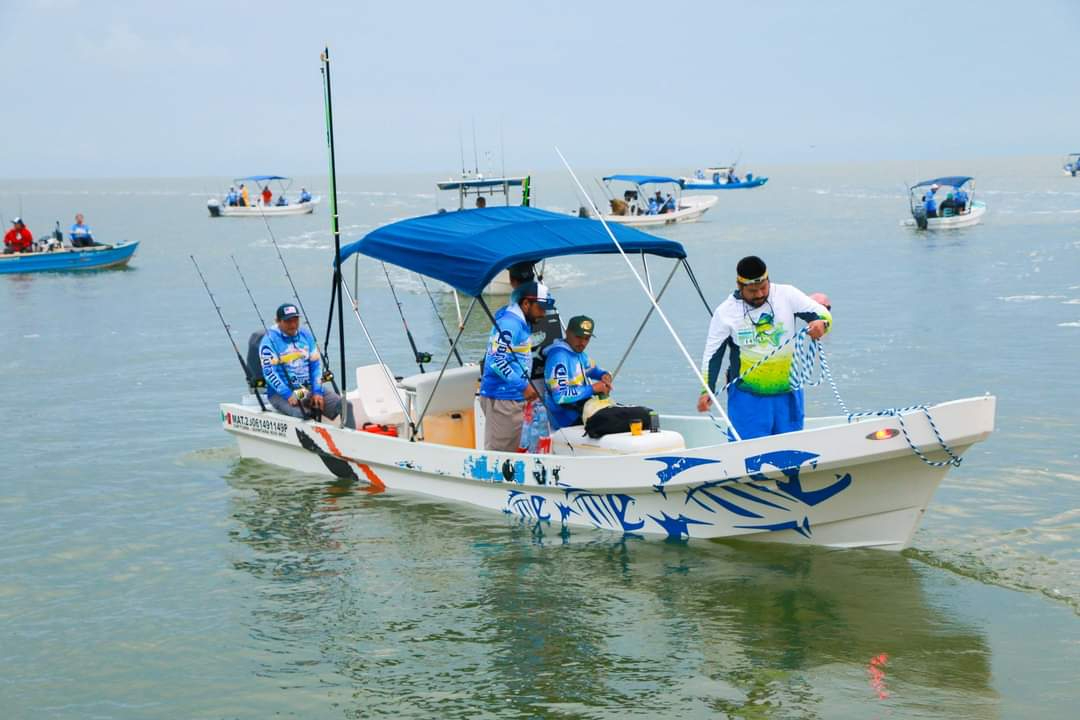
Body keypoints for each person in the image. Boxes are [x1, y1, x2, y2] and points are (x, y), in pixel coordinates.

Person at [696, 256, 832, 440]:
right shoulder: (725, 313)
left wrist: (821, 324)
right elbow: (712, 356)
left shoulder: (787, 294)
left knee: (791, 451)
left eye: (763, 288)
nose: (760, 294)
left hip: (788, 392)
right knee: (749, 454)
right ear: (739, 285)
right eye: (753, 291)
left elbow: (822, 314)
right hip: (748, 398)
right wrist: (707, 390)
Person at [478, 281, 555, 452]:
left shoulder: (521, 321)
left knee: (514, 452)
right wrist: (523, 385)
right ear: (526, 303)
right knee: (500, 455)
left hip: (513, 396)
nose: (543, 314)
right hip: (502, 398)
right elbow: (495, 360)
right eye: (540, 308)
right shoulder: (510, 324)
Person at [259, 303, 347, 424]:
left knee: (344, 405)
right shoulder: (269, 341)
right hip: (281, 393)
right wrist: (288, 395)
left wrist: (317, 392)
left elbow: (316, 366)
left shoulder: (305, 335)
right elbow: (269, 373)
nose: (293, 325)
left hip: (305, 389)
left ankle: (351, 437)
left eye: (295, 320)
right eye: (288, 321)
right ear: (278, 321)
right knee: (304, 415)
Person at [544, 315, 613, 430]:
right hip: (564, 420)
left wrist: (604, 375)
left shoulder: (578, 353)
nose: (582, 343)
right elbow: (560, 396)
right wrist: (593, 389)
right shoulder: (559, 357)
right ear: (567, 333)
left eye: (587, 338)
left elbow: (594, 370)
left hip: (580, 411)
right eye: (578, 337)